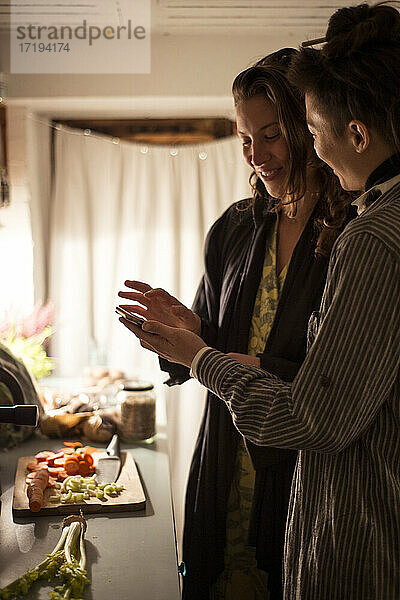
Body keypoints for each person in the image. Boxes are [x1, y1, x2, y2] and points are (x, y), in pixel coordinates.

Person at [119, 3, 400, 599]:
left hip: (308, 473)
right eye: (245, 138)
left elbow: (343, 389)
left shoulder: (358, 231)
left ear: (311, 126)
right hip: (228, 458)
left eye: (272, 134)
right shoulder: (235, 228)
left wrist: (220, 359)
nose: (256, 153)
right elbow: (209, 349)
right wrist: (185, 335)